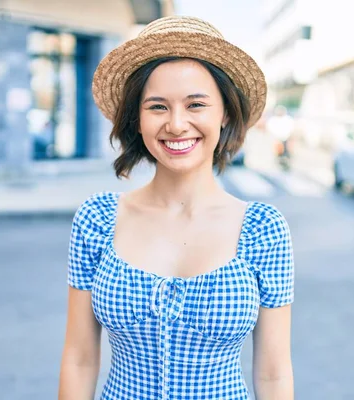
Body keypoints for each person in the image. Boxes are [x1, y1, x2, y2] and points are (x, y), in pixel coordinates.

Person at [58, 16, 295, 400]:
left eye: (196, 104)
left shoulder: (263, 228)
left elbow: (273, 373)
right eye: (157, 107)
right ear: (136, 119)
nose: (177, 124)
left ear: (226, 114)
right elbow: (80, 358)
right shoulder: (97, 219)